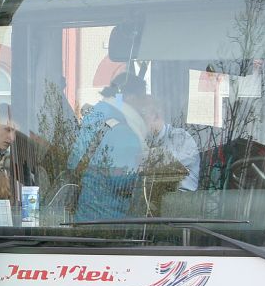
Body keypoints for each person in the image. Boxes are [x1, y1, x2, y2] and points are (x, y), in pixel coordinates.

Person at [67, 73, 150, 221]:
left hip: (84, 216)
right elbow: (124, 182)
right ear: (130, 98)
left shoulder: (94, 119)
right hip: (109, 224)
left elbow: (72, 162)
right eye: (142, 98)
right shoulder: (124, 132)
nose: (144, 105)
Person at [139, 97, 200, 191]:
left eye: (144, 116)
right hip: (158, 196)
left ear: (156, 116)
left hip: (182, 198)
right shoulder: (148, 141)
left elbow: (173, 167)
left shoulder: (181, 137)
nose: (142, 121)